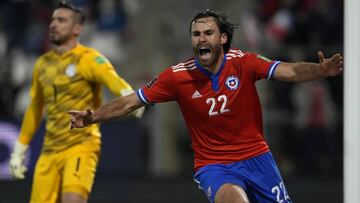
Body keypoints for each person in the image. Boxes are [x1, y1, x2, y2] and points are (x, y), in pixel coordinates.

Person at [69, 9, 343, 203]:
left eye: (208, 32)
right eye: (196, 33)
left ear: (222, 38)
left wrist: (321, 71)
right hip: (214, 165)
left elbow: (291, 71)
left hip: (258, 159)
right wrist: (93, 117)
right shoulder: (176, 76)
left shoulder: (244, 62)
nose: (201, 38)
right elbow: (131, 101)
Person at [8, 1, 144, 203]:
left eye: (61, 20)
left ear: (77, 28)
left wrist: (129, 99)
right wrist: (20, 149)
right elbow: (35, 109)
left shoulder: (89, 59)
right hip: (49, 152)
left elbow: (114, 82)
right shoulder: (42, 65)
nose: (54, 24)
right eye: (53, 19)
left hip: (81, 146)